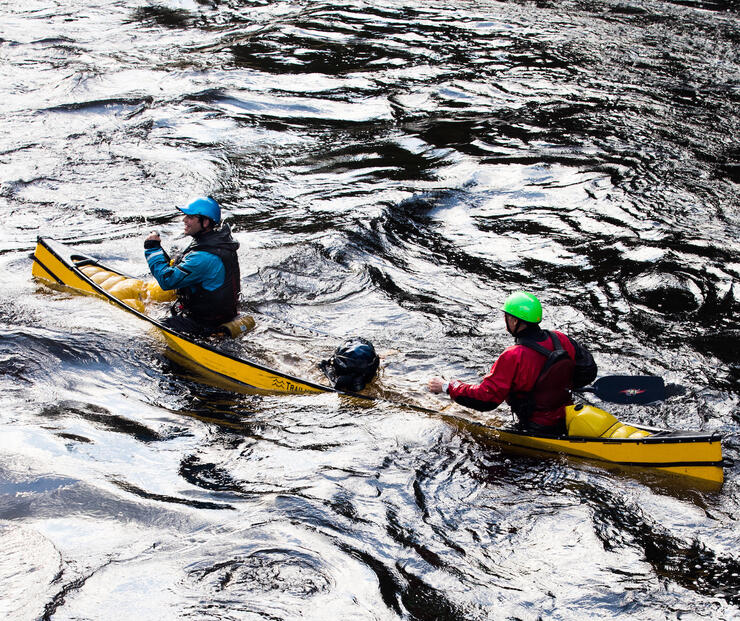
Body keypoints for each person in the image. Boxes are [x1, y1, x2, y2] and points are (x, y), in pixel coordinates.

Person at [428, 291, 597, 435]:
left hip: (535, 428)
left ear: (515, 321)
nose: (506, 320)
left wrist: (448, 386)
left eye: (507, 317)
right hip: (567, 417)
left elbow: (486, 399)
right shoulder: (560, 338)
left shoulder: (513, 356)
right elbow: (588, 371)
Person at [144, 197, 241, 337]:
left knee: (156, 331)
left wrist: (152, 249)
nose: (184, 220)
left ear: (205, 222)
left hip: (205, 323)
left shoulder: (203, 257)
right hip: (222, 315)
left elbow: (167, 281)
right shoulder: (217, 242)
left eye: (190, 217)